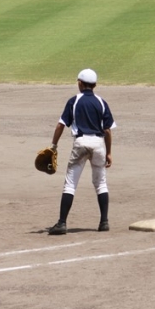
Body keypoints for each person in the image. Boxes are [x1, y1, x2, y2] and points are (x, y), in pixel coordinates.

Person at [47, 68, 116, 235]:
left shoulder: (74, 101)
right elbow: (107, 130)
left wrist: (54, 146)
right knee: (101, 183)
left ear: (80, 83)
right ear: (95, 85)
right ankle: (104, 222)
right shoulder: (101, 102)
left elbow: (60, 125)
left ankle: (62, 223)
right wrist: (108, 152)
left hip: (81, 143)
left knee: (70, 184)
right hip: (98, 144)